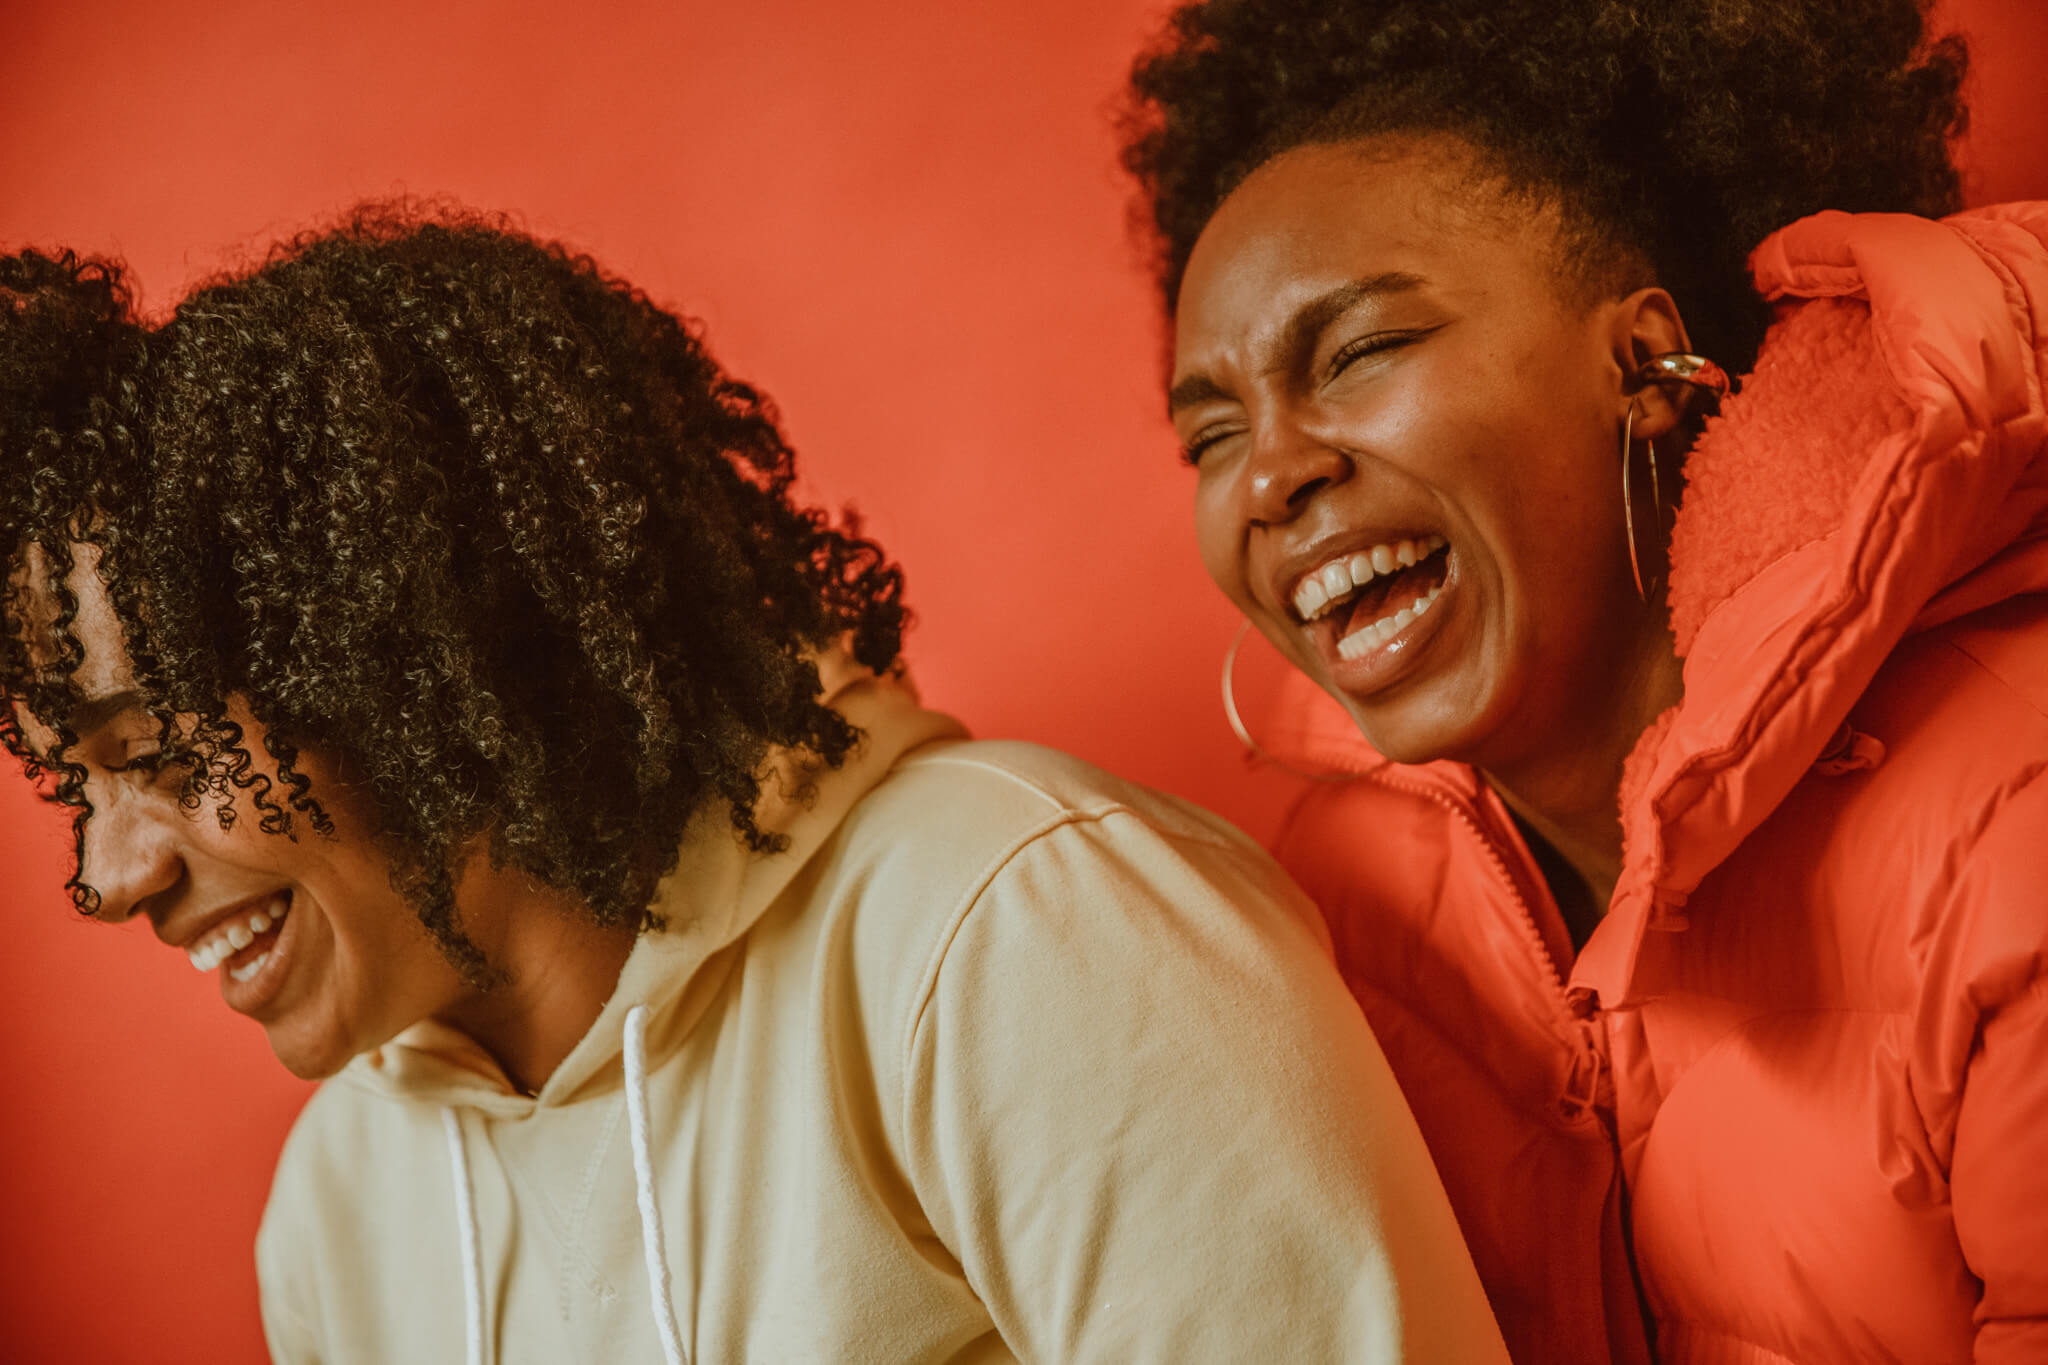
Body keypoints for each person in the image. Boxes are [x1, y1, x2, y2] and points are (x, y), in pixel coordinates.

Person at [0, 208, 1509, 1363]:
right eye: (76, 785)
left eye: (155, 754)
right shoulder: (343, 1202)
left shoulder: (1013, 930)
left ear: (411, 655)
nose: (114, 870)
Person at [1119, 2, 2048, 1362]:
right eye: (1213, 432)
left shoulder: (2014, 816)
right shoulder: (1329, 907)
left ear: (1643, 364)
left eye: (1362, 352)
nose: (1269, 475)